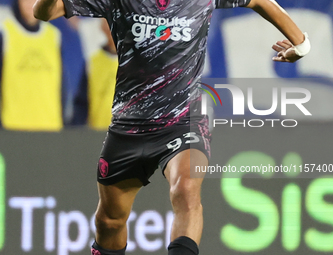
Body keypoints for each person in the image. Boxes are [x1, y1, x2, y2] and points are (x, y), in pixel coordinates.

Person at [33, 0, 311, 254]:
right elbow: (43, 12)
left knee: (186, 191)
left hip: (184, 117)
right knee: (109, 221)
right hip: (130, 125)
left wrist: (301, 44)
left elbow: (259, 1)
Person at [0, 0, 85, 131]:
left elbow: (62, 86)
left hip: (50, 128)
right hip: (13, 129)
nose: (30, 3)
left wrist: (62, 123)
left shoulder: (54, 36)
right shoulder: (5, 34)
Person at [72, 18, 119, 130]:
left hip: (128, 137)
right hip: (98, 135)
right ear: (101, 27)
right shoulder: (93, 63)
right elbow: (82, 104)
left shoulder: (137, 62)